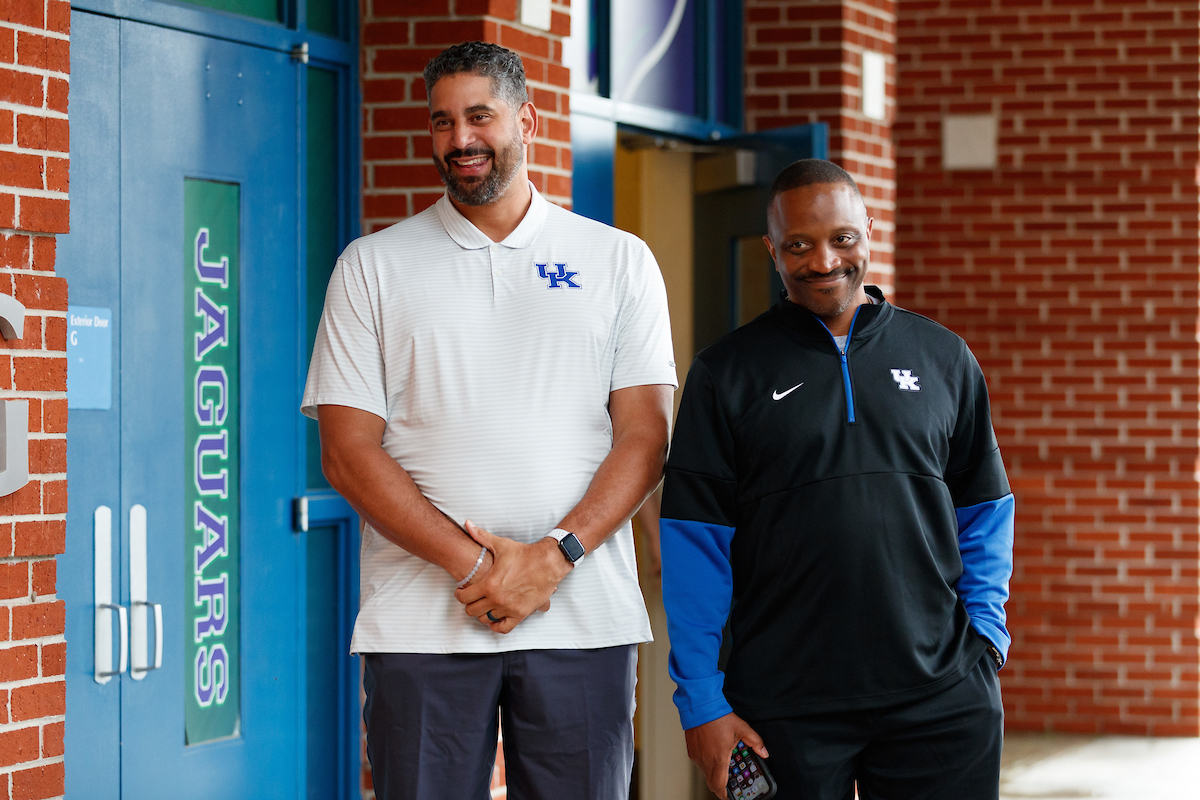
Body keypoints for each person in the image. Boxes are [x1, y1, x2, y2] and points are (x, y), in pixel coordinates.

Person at [302, 41, 677, 800]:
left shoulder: (618, 260)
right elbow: (346, 453)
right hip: (420, 622)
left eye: (480, 116)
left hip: (583, 618)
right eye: (442, 122)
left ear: (528, 120)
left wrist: (553, 557)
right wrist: (475, 566)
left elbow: (646, 437)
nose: (461, 140)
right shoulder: (372, 266)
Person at [659, 159, 1014, 800]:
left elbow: (985, 508)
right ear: (772, 249)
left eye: (842, 238)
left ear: (869, 230)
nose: (823, 261)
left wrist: (985, 640)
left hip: (938, 695)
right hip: (781, 706)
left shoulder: (943, 357)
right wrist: (703, 703)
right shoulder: (726, 374)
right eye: (799, 244)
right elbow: (695, 547)